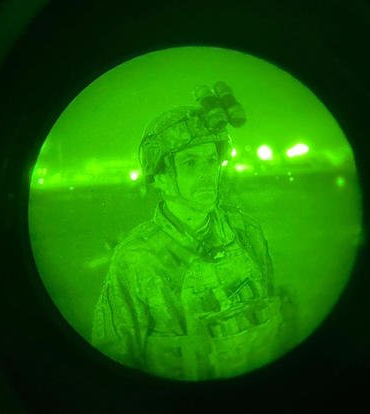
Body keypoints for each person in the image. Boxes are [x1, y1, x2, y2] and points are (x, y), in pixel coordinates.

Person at [92, 89, 295, 381]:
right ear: (160, 177)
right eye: (190, 163)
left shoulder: (245, 233)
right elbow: (111, 358)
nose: (207, 173)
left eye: (211, 161)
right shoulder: (135, 259)